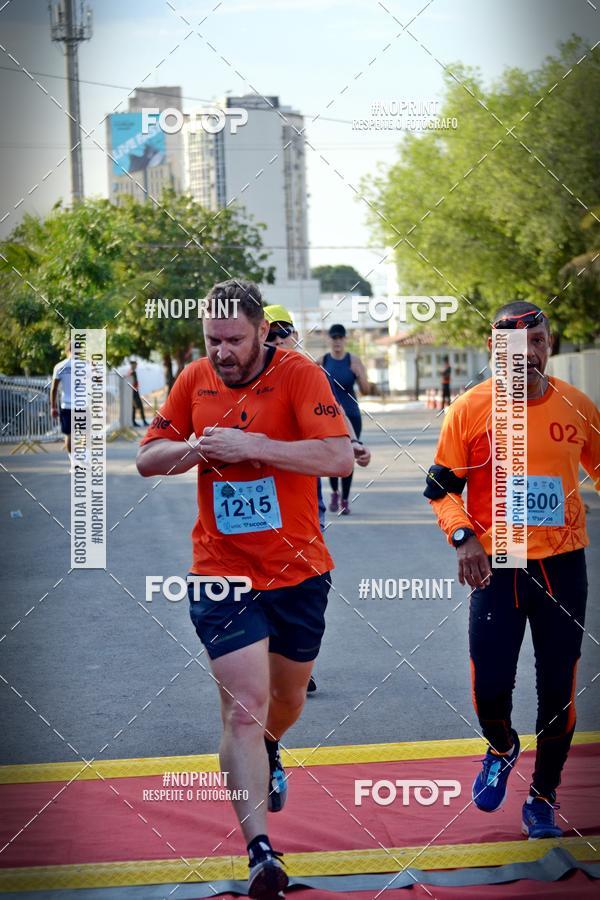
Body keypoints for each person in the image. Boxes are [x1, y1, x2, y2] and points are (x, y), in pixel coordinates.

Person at [137, 280, 353, 899]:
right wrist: (198, 450)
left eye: (234, 339)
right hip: (220, 571)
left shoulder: (300, 376)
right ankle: (261, 852)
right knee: (243, 704)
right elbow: (148, 458)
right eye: (212, 340)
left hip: (299, 571)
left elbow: (337, 457)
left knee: (284, 702)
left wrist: (255, 445)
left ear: (262, 331)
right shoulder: (193, 381)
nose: (222, 351)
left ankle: (269, 749)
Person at [424, 301, 599, 840]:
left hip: (563, 563)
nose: (527, 358)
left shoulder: (577, 405)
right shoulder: (470, 409)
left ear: (550, 345)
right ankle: (500, 746)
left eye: (538, 344)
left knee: (559, 689)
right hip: (501, 563)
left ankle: (544, 794)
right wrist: (462, 536)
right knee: (490, 686)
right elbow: (440, 489)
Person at [263, 304, 372, 698]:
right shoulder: (241, 380)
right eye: (271, 334)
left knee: (306, 583)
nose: (279, 340)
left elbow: (337, 410)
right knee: (263, 584)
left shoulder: (309, 374)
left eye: (285, 332)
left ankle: (296, 660)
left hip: (305, 505)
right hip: (256, 506)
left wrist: (353, 441)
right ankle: (271, 658)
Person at [318, 324, 370, 514]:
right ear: (329, 339)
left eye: (340, 337)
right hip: (330, 414)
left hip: (352, 415)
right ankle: (334, 492)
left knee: (350, 454)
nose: (337, 341)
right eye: (334, 337)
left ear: (345, 339)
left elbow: (366, 390)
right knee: (333, 453)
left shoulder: (353, 360)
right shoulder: (322, 361)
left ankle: (345, 499)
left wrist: (360, 375)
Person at [50, 341, 73, 458]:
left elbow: (54, 388)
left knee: (69, 435)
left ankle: (74, 463)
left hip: (66, 406)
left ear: (66, 350)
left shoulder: (59, 366)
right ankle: (84, 460)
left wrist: (53, 407)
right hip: (82, 406)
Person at [127, 360, 148, 427]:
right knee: (139, 406)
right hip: (134, 392)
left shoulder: (131, 372)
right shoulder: (132, 372)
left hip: (134, 391)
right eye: (135, 364)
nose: (136, 366)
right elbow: (132, 383)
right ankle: (142, 421)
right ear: (133, 365)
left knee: (134, 407)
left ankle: (134, 422)